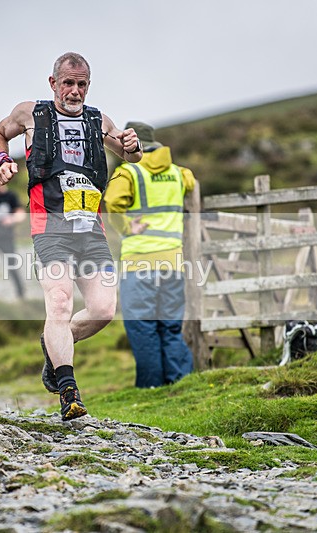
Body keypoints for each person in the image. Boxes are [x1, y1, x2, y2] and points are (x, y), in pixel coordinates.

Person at [0, 52, 142, 421]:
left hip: (90, 227)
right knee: (58, 304)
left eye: (82, 84)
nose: (75, 91)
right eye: (68, 83)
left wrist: (135, 147)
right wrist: (1, 160)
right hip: (49, 226)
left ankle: (53, 344)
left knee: (104, 310)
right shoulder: (30, 113)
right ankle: (69, 392)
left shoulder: (98, 120)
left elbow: (130, 155)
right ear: (53, 83)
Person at [104, 122, 195, 388]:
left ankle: (151, 386)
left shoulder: (128, 172)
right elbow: (192, 182)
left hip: (139, 261)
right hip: (173, 261)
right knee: (170, 325)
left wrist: (125, 226)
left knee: (142, 326)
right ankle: (180, 383)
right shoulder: (179, 173)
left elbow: (111, 203)